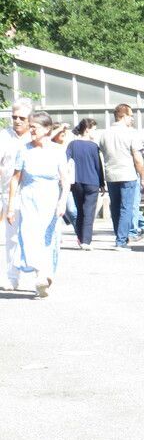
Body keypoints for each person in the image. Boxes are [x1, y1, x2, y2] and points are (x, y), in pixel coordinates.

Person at [5, 111, 72, 298]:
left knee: (47, 238)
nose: (31, 130)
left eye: (35, 127)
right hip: (28, 198)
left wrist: (62, 202)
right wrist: (11, 206)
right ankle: (41, 274)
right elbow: (15, 179)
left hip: (50, 198)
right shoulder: (24, 149)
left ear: (47, 129)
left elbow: (65, 180)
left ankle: (44, 275)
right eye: (31, 127)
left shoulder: (58, 151)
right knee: (29, 235)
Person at [97, 104, 144, 249]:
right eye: (131, 116)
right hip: (127, 174)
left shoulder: (104, 134)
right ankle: (121, 241)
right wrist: (143, 177)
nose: (132, 119)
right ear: (124, 116)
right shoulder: (131, 133)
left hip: (111, 175)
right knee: (126, 207)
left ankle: (119, 236)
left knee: (115, 207)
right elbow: (138, 157)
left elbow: (101, 153)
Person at [1, 99, 34, 287]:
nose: (17, 121)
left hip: (33, 193)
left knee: (31, 235)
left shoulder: (36, 136)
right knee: (12, 237)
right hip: (8, 192)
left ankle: (35, 274)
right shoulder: (4, 136)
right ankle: (12, 277)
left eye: (22, 117)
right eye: (14, 117)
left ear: (30, 119)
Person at [66, 118, 105, 250]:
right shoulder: (94, 146)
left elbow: (66, 160)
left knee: (80, 211)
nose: (95, 132)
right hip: (92, 182)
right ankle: (86, 241)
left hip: (76, 182)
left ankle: (80, 237)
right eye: (94, 129)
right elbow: (98, 166)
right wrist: (102, 183)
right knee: (89, 212)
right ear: (87, 129)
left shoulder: (72, 144)